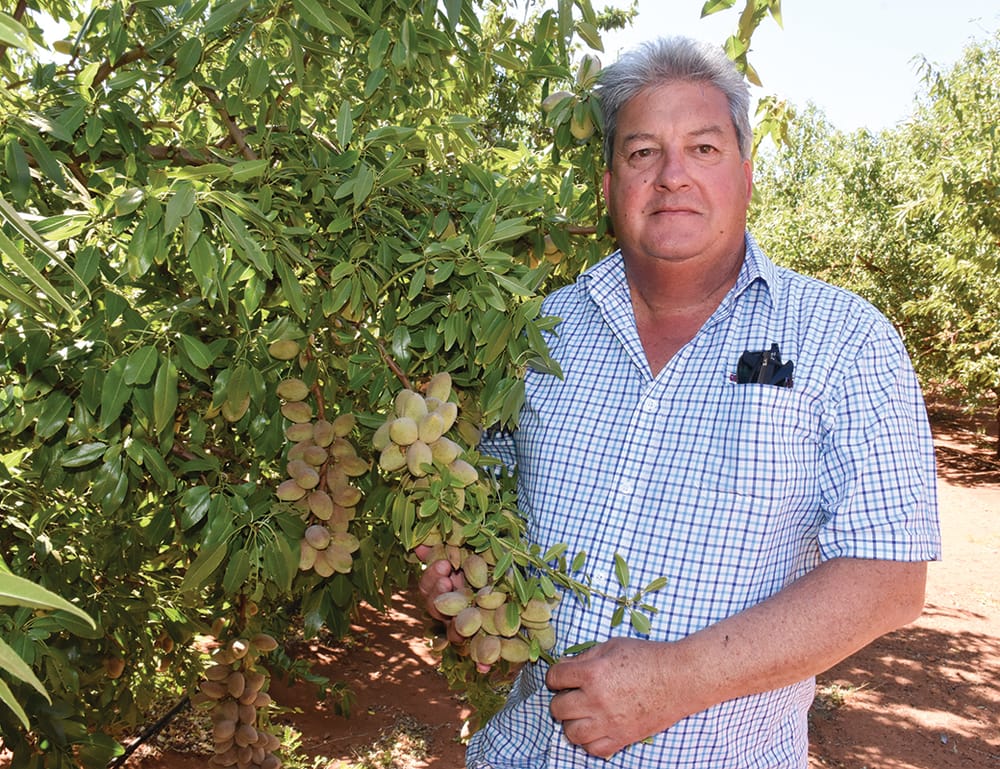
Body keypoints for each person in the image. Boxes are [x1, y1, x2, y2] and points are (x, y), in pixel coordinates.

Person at [420, 36, 941, 768]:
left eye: (703, 148)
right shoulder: (537, 330)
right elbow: (492, 486)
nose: (672, 176)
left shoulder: (847, 341)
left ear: (747, 176)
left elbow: (889, 578)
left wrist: (676, 679)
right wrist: (460, 564)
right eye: (641, 153)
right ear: (607, 186)